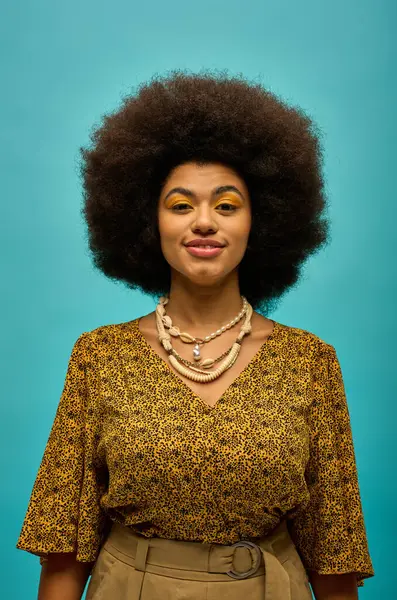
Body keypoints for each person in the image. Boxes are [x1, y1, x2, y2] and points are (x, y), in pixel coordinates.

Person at [16, 71, 374, 600]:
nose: (204, 221)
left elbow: (334, 553)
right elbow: (64, 551)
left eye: (226, 205)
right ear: (146, 222)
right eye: (181, 205)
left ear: (262, 222)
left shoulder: (310, 361)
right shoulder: (99, 356)